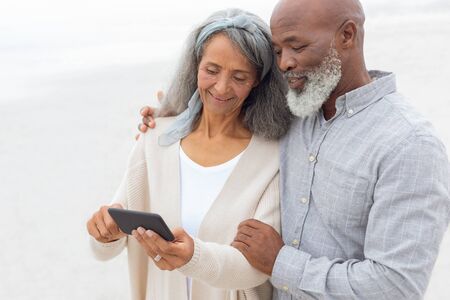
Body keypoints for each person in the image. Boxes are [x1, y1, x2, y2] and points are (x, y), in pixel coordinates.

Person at [138, 0, 450, 299]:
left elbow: (396, 287)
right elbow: (227, 96)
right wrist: (170, 115)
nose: (285, 63)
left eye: (298, 47)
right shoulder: (292, 112)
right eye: (277, 51)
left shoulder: (409, 145)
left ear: (347, 35)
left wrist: (280, 263)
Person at [87, 8, 293, 300]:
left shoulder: (272, 157)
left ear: (257, 80)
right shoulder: (155, 139)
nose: (222, 87)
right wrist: (103, 234)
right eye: (211, 70)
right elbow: (105, 249)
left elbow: (257, 266)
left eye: (239, 76)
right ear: (195, 65)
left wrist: (193, 257)